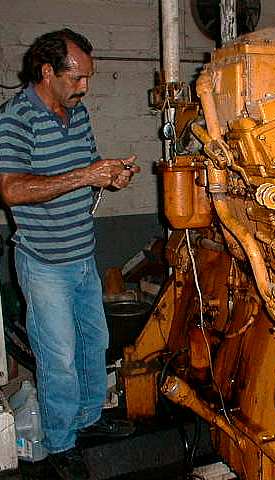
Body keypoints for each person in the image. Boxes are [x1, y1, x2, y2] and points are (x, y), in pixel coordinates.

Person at [0, 29, 141, 480]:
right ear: (47, 71)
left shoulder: (77, 114)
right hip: (44, 262)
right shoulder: (16, 118)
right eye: (77, 78)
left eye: (88, 77)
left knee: (92, 345)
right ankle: (61, 443)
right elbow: (12, 189)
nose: (85, 87)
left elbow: (87, 167)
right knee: (58, 358)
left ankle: (88, 419)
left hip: (82, 255)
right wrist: (85, 175)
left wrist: (111, 176)